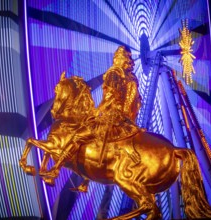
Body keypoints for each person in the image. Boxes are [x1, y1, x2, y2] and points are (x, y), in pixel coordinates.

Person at [40, 46, 143, 180]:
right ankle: (85, 180)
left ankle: (55, 169)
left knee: (78, 136)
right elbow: (137, 104)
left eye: (116, 57)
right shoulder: (132, 79)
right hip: (128, 123)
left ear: (119, 58)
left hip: (111, 118)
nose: (115, 60)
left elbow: (110, 97)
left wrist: (97, 111)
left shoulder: (115, 73)